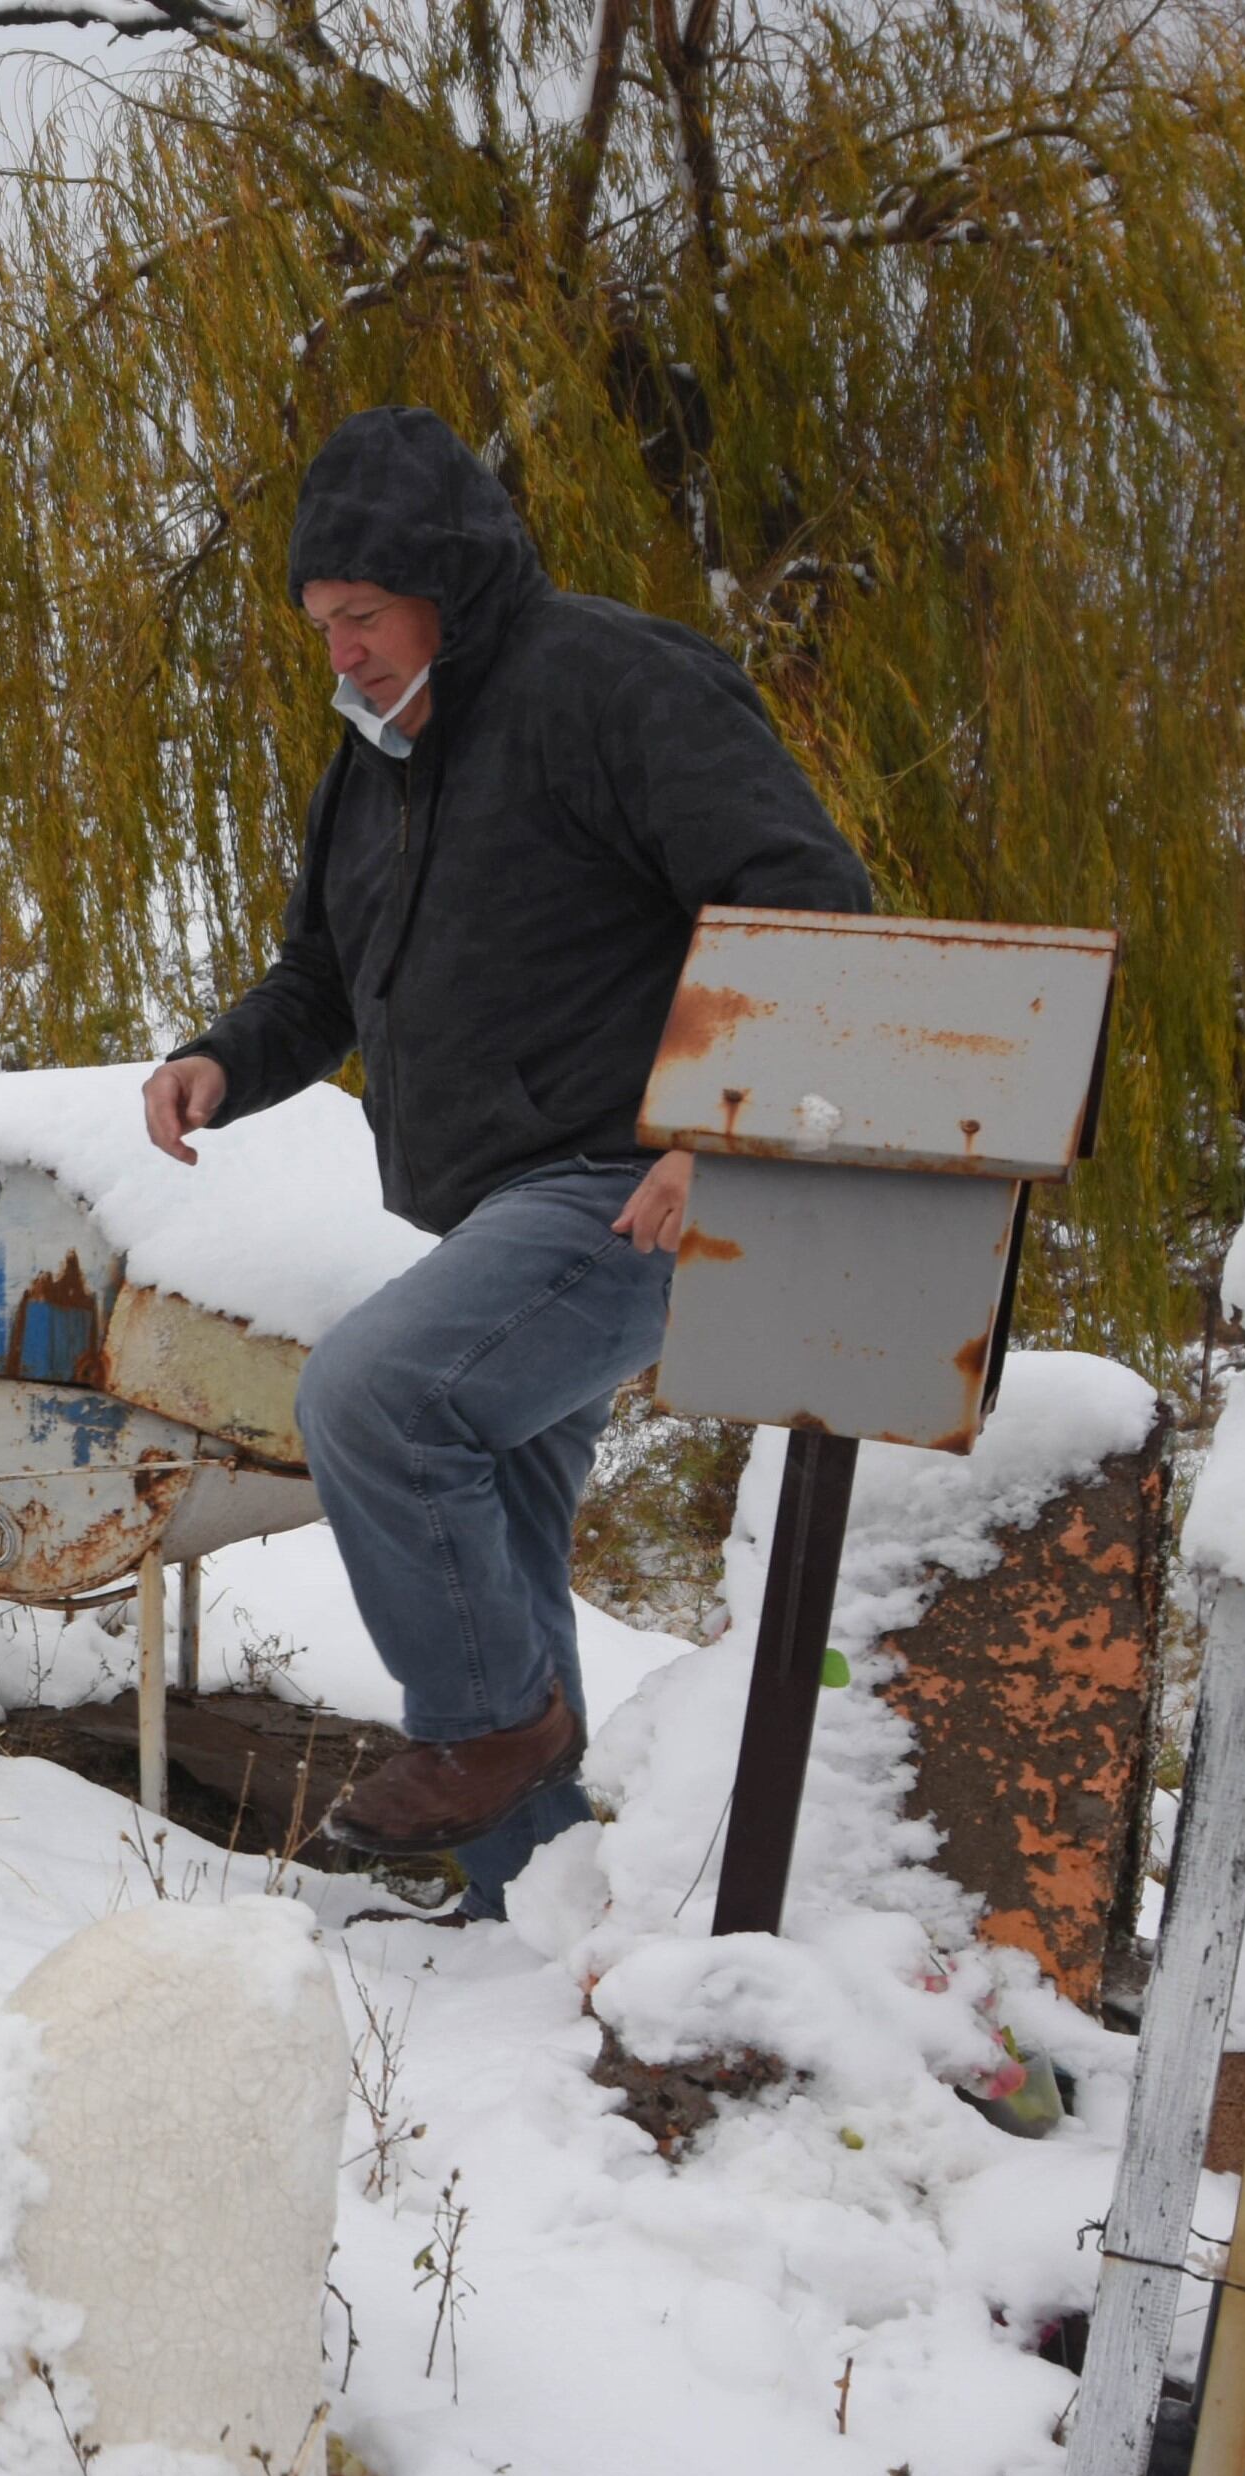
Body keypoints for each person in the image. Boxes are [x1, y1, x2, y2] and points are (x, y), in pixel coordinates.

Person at [144, 406, 872, 1914]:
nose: (339, 653)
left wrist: (721, 1131)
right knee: (506, 1546)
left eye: (363, 617)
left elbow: (805, 890)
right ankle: (513, 1909)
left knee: (381, 1400)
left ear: (447, 589)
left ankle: (486, 1731)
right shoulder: (375, 765)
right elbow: (321, 979)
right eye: (320, 626)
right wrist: (224, 1057)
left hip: (632, 1182)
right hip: (499, 1202)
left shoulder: (606, 681)